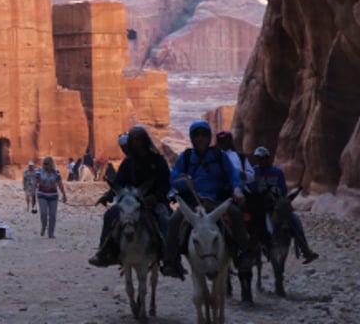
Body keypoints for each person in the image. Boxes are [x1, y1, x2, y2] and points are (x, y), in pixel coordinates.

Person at [161, 119, 248, 280]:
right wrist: (184, 183)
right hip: (194, 202)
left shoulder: (219, 156)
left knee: (236, 214)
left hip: (217, 201)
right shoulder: (186, 157)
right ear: (192, 138)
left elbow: (233, 175)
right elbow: (174, 179)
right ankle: (170, 262)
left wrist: (237, 189)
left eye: (203, 134)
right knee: (174, 220)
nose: (200, 138)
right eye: (197, 135)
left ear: (209, 138)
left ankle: (243, 255)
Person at [88, 125, 171, 267]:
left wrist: (156, 197)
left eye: (139, 139)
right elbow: (119, 182)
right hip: (132, 202)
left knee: (165, 219)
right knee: (110, 215)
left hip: (154, 201)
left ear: (145, 140)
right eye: (134, 140)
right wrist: (108, 195)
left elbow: (165, 183)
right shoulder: (129, 162)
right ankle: (104, 252)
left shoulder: (158, 160)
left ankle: (170, 258)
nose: (137, 143)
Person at [249, 146, 319, 263]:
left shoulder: (277, 172)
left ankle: (305, 250)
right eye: (258, 159)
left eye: (262, 159)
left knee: (294, 219)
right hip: (261, 205)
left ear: (268, 158)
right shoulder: (254, 171)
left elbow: (283, 191)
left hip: (276, 204)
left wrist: (279, 199)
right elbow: (251, 188)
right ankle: (249, 253)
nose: (261, 161)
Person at [34, 156, 68, 237]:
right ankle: (43, 226)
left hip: (53, 196)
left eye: (47, 164)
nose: (46, 166)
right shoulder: (39, 171)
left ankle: (51, 232)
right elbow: (36, 182)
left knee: (52, 215)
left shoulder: (56, 172)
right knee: (43, 212)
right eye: (44, 164)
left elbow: (60, 184)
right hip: (42, 194)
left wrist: (64, 194)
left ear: (51, 164)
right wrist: (38, 184)